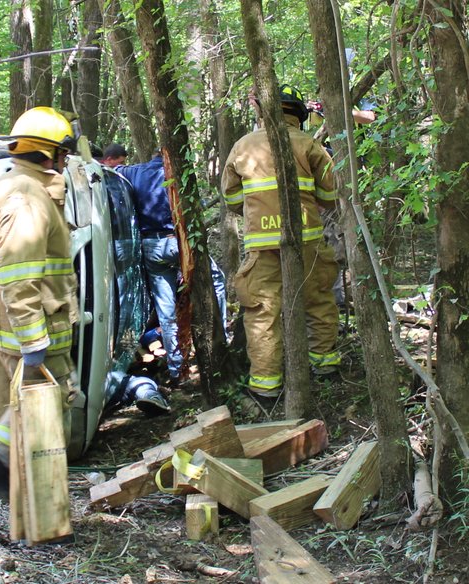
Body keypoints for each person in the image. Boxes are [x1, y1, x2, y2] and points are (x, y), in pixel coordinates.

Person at [0, 107, 79, 502]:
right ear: (52, 155)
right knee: (47, 418)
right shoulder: (27, 199)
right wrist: (33, 342)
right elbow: (18, 275)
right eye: (63, 154)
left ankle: (18, 500)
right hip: (33, 335)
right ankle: (34, 504)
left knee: (26, 411)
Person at [222, 84, 341, 398]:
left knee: (262, 313)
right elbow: (330, 196)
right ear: (298, 115)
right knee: (318, 301)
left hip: (261, 245)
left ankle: (266, 386)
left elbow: (232, 198)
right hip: (308, 240)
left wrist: (257, 211)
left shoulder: (242, 146)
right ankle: (325, 366)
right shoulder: (310, 145)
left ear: (261, 111)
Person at [118, 151, 227, 387]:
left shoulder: (134, 172)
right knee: (217, 281)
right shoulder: (175, 172)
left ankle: (177, 370)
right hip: (179, 241)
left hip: (152, 246)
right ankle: (222, 345)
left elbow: (113, 171)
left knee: (165, 311)